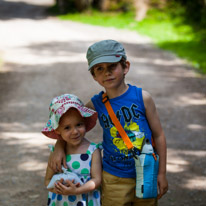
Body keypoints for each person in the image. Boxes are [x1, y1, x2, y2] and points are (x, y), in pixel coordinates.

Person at [49, 40, 168, 206]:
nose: (107, 73)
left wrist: (161, 173)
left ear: (125, 67)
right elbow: (70, 125)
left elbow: (159, 135)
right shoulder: (96, 104)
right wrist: (59, 146)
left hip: (147, 172)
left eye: (112, 66)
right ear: (94, 76)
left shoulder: (143, 98)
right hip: (113, 177)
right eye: (100, 69)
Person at [42, 94, 102, 206]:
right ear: (57, 130)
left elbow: (97, 180)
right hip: (60, 202)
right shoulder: (56, 153)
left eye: (79, 124)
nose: (75, 131)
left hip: (86, 201)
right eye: (67, 127)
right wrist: (60, 190)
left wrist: (77, 191)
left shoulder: (93, 150)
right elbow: (47, 180)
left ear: (84, 122)